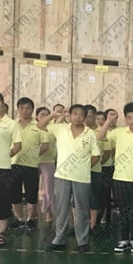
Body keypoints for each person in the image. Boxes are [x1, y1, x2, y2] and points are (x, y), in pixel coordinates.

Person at [37, 105, 102, 253]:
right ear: (70, 115)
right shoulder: (60, 128)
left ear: (85, 117)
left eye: (81, 114)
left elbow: (96, 155)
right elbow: (40, 125)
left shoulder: (90, 133)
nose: (78, 117)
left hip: (82, 177)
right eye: (75, 114)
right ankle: (59, 239)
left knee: (81, 210)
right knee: (61, 209)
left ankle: (82, 241)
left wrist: (84, 166)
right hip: (62, 176)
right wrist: (53, 114)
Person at [97, 103, 133, 254]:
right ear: (125, 118)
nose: (132, 121)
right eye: (129, 117)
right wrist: (108, 121)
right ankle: (123, 240)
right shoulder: (118, 133)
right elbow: (100, 137)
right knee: (123, 211)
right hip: (120, 179)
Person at [0, 91, 22, 247]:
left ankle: (1, 233)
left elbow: (18, 145)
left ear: (2, 104)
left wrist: (5, 156)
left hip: (2, 168)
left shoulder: (11, 123)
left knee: (2, 201)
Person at [10, 97, 49, 231]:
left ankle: (30, 219)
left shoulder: (39, 125)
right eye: (22, 108)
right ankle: (19, 219)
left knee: (31, 194)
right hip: (14, 163)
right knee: (14, 194)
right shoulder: (12, 124)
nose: (25, 110)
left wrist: (33, 155)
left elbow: (45, 145)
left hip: (31, 165)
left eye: (28, 108)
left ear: (32, 109)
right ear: (18, 109)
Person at [85, 105, 111, 234]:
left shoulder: (102, 131)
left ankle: (93, 225)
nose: (87, 119)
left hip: (95, 170)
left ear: (95, 116)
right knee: (78, 199)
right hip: (78, 172)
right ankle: (79, 225)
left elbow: (107, 152)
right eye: (85, 116)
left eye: (90, 116)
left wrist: (98, 163)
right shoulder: (80, 130)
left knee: (94, 197)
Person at [37, 107, 56, 223]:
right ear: (37, 116)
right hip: (32, 161)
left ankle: (49, 212)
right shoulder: (33, 127)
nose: (44, 116)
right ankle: (33, 213)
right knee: (32, 188)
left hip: (49, 161)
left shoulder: (53, 128)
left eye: (46, 114)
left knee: (49, 189)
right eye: (41, 114)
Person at [99, 108, 118, 225]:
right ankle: (102, 215)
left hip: (111, 166)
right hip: (99, 166)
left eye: (115, 117)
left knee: (110, 192)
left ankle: (108, 215)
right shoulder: (99, 131)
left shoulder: (119, 131)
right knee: (102, 193)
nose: (113, 119)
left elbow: (113, 151)